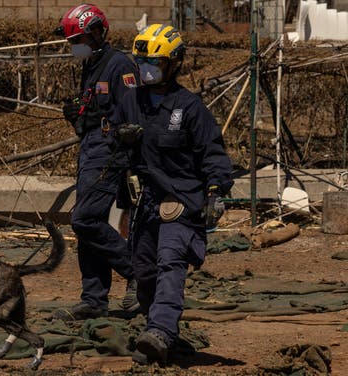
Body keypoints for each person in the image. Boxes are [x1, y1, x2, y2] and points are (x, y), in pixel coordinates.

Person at [113, 24, 233, 365]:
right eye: (142, 62)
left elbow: (213, 153)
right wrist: (120, 140)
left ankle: (161, 332)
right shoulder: (130, 101)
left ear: (174, 63)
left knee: (170, 262)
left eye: (155, 62)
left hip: (180, 201)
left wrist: (216, 191)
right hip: (145, 203)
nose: (147, 69)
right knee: (144, 271)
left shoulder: (189, 108)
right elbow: (113, 145)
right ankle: (159, 330)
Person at [52, 3, 139, 321]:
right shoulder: (90, 66)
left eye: (79, 41)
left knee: (84, 220)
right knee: (89, 226)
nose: (75, 48)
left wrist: (128, 153)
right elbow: (94, 112)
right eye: (72, 43)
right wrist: (78, 116)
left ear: (98, 33)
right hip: (90, 152)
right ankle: (94, 299)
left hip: (110, 154)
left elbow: (132, 118)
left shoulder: (121, 66)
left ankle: (138, 271)